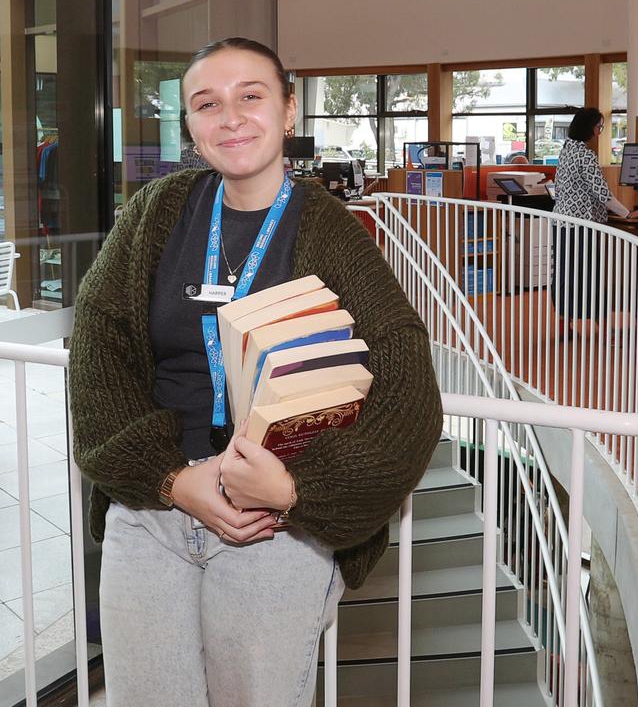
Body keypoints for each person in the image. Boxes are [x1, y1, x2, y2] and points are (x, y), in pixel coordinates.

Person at [68, 37, 443, 706]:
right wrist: (173, 479)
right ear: (189, 126)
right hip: (152, 513)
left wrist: (300, 488)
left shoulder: (331, 231)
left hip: (274, 525)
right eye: (206, 104)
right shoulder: (156, 214)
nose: (230, 117)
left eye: (251, 96)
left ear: (289, 111)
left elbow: (408, 383)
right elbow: (98, 351)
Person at [550, 108, 638, 330]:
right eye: (599, 127)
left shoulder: (566, 150)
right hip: (581, 225)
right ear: (589, 127)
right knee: (588, 276)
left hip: (561, 223)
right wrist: (627, 213)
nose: (599, 132)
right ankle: (604, 328)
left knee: (565, 274)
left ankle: (564, 322)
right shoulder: (586, 155)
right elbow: (602, 192)